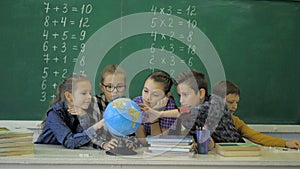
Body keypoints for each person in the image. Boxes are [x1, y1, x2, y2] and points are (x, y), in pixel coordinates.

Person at [213, 80, 300, 149]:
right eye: (230, 102)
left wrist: (286, 143)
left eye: (237, 102)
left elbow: (256, 136)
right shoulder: (205, 120)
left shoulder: (235, 121)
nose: (235, 106)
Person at [35, 75, 104, 149]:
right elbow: (70, 142)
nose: (89, 97)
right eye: (84, 93)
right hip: (45, 156)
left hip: (69, 155)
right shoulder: (54, 114)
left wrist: (103, 144)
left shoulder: (84, 111)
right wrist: (96, 126)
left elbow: (88, 140)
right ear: (68, 96)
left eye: (90, 93)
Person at [95, 64, 138, 151]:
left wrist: (131, 143)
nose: (114, 91)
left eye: (119, 87)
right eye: (110, 87)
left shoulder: (129, 105)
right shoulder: (93, 103)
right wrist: (103, 144)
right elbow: (88, 134)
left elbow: (135, 134)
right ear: (102, 87)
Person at [133, 70, 180, 146]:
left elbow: (157, 142)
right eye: (145, 91)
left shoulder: (170, 107)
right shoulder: (137, 103)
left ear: (166, 96)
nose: (148, 97)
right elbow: (143, 142)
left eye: (155, 94)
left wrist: (154, 114)